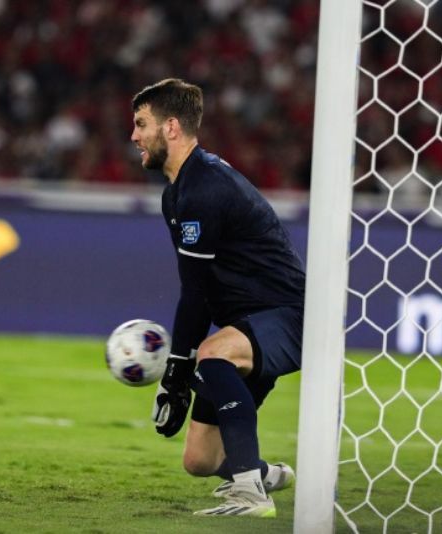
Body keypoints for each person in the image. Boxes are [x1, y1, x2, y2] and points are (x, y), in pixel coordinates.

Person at [130, 78, 306, 517]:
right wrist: (176, 377)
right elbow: (202, 291)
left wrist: (178, 369)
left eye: (140, 124)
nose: (133, 136)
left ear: (171, 127)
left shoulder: (205, 187)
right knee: (199, 461)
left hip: (288, 316)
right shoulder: (177, 194)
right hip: (247, 323)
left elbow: (193, 294)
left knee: (213, 353)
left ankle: (250, 492)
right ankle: (263, 473)